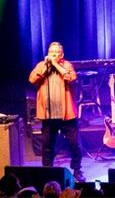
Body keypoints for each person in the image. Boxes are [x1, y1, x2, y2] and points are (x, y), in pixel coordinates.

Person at [28, 42, 84, 182]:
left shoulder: (67, 65)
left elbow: (71, 78)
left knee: (74, 143)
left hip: (66, 115)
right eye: (51, 52)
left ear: (62, 55)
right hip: (48, 114)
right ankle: (48, 171)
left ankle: (77, 169)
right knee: (47, 145)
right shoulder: (42, 65)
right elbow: (32, 79)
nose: (53, 54)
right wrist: (46, 67)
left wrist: (56, 65)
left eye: (56, 52)